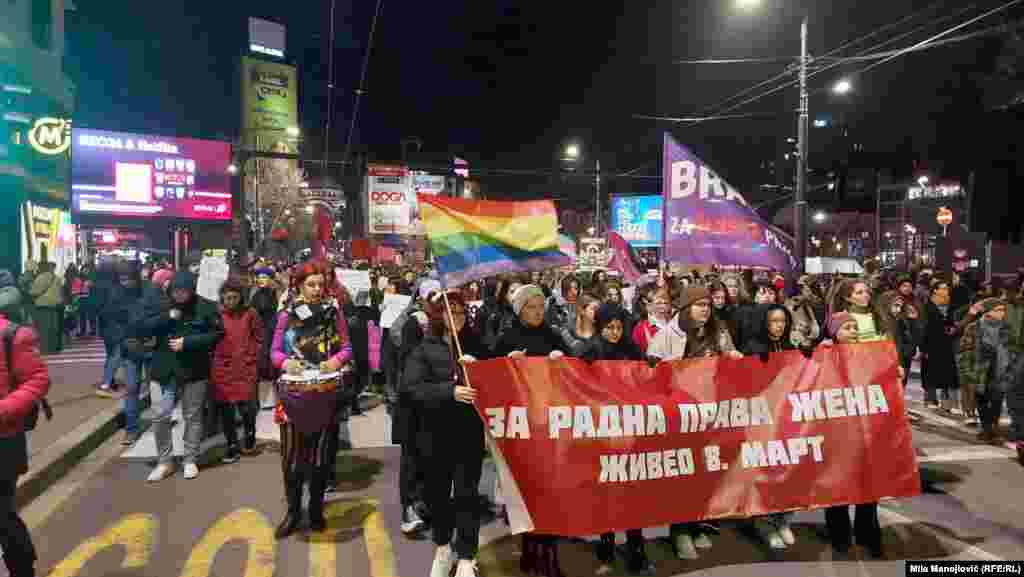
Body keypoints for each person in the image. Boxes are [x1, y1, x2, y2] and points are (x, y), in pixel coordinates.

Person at [646, 285, 742, 559]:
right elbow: (650, 372)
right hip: (680, 414)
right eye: (700, 305)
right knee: (683, 473)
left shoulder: (718, 330)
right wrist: (670, 367)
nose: (705, 310)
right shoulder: (668, 334)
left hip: (710, 410)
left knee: (705, 471)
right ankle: (680, 531)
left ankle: (697, 523)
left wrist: (733, 357)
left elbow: (730, 354)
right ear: (687, 308)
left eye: (708, 305)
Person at [404, 291, 488, 577]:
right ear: (438, 315)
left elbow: (497, 374)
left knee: (467, 494)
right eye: (450, 310)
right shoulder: (424, 349)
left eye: (461, 311)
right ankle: (443, 547)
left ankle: (466, 555)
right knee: (437, 495)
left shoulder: (476, 344)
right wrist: (449, 391)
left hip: (468, 433)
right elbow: (412, 388)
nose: (457, 317)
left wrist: (482, 368)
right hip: (434, 434)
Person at [270, 260, 353, 539]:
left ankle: (316, 509)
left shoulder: (333, 313)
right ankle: (293, 512)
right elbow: (274, 352)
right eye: (311, 284)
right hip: (293, 396)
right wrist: (285, 363)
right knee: (292, 460)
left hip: (324, 393)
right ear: (299, 286)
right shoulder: (286, 315)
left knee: (320, 459)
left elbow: (347, 348)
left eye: (320, 284)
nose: (317, 289)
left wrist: (336, 361)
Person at [493, 284, 569, 577]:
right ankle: (530, 551)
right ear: (519, 310)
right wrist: (507, 364)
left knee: (551, 491)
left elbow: (576, 365)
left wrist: (563, 361)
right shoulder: (507, 337)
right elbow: (490, 373)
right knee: (528, 491)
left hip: (550, 424)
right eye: (531, 307)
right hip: (523, 427)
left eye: (541, 307)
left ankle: (549, 556)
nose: (538, 312)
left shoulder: (552, 335)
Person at [582, 303, 654, 576]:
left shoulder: (632, 349)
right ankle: (606, 548)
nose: (614, 332)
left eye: (618, 327)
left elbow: (645, 376)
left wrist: (651, 366)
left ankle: (637, 548)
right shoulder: (590, 350)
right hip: (603, 429)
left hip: (630, 426)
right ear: (599, 327)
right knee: (606, 491)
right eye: (608, 327)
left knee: (633, 491)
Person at [136, 271, 225, 482]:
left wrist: (188, 342)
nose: (180, 295)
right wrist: (166, 317)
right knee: (160, 414)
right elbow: (141, 327)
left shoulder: (205, 306)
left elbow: (217, 334)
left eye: (184, 291)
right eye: (176, 291)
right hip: (163, 369)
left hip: (194, 369)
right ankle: (164, 461)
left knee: (192, 416)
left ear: (192, 290)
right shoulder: (161, 304)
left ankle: (190, 458)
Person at [739, 304, 808, 550]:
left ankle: (783, 519)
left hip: (787, 417)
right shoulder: (753, 348)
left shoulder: (790, 346)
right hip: (761, 417)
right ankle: (764, 522)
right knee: (764, 471)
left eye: (782, 321)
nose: (779, 326)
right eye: (773, 321)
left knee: (788, 470)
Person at [821, 311, 883, 559]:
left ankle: (868, 534)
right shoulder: (824, 355)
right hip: (836, 432)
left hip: (864, 429)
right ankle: (840, 536)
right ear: (834, 333)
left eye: (855, 327)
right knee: (837, 485)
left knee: (868, 484)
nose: (853, 332)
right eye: (847, 328)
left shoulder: (868, 353)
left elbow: (880, 379)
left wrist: (894, 370)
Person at [0, 270, 49, 577]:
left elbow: (38, 379)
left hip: (4, 439)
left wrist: (4, 409)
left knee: (2, 514)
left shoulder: (12, 335)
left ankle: (22, 568)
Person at [211, 277, 263, 462]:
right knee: (226, 409)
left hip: (245, 366)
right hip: (222, 368)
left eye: (234, 297)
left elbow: (259, 337)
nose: (231, 301)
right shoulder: (216, 314)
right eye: (227, 298)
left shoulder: (250, 313)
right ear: (222, 298)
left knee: (247, 407)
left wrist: (252, 355)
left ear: (241, 297)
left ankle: (250, 435)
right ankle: (231, 444)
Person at [971, 299, 1014, 444]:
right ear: (988, 311)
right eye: (998, 310)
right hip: (981, 369)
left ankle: (992, 429)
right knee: (981, 400)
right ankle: (986, 428)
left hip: (1000, 369)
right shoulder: (976, 326)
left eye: (1003, 310)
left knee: (997, 400)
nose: (1002, 313)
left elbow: (1010, 348)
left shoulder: (1006, 327)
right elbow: (966, 350)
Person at [920, 278, 960, 412]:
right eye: (942, 288)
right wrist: (923, 348)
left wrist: (952, 328)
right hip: (931, 343)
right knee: (930, 371)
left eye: (947, 288)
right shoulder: (927, 306)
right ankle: (930, 399)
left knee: (948, 373)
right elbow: (923, 327)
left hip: (946, 343)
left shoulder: (950, 305)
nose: (945, 291)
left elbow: (952, 322)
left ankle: (947, 402)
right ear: (935, 291)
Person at [28, 262, 62, 354]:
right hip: (54, 306)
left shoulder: (41, 278)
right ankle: (53, 348)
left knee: (43, 329)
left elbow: (34, 292)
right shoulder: (57, 278)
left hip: (42, 305)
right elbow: (60, 292)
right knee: (53, 328)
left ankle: (45, 349)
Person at [632, 287, 672, 355]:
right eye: (658, 303)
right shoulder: (640, 329)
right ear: (649, 306)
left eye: (666, 303)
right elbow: (635, 355)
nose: (663, 306)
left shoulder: (676, 325)